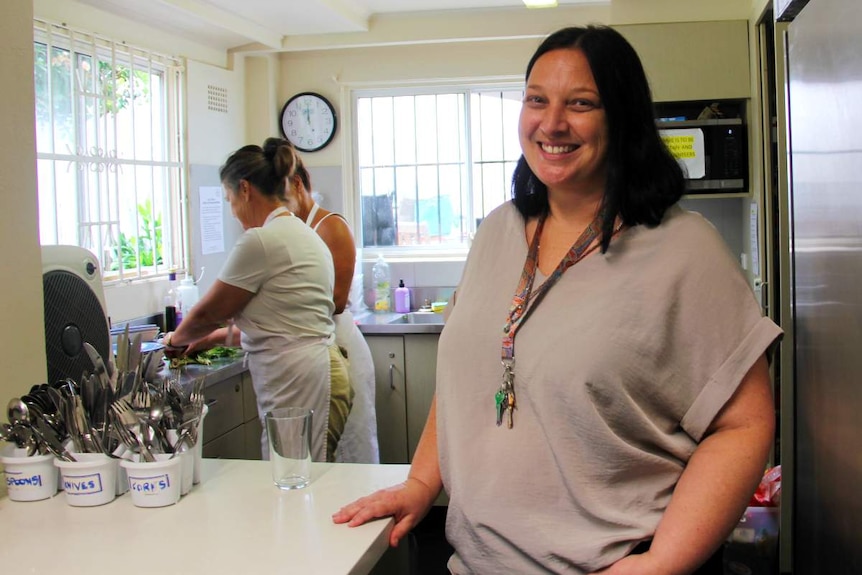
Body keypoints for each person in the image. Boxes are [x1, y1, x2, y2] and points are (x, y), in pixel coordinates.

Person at [332, 25, 781, 575]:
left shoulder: (686, 251)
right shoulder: (497, 230)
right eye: (537, 100)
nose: (552, 123)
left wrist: (662, 562)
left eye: (582, 103)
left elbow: (744, 424)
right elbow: (464, 386)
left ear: (623, 118)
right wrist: (423, 482)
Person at [163, 137, 351, 463]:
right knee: (300, 481)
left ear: (245, 189)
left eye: (230, 199)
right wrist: (211, 339)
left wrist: (175, 340)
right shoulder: (299, 232)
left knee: (296, 483)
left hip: (302, 379)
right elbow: (278, 317)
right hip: (314, 371)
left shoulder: (261, 241)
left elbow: (210, 311)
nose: (233, 211)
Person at [282, 152, 380, 464]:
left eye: (279, 196)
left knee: (352, 447)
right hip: (311, 352)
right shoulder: (290, 229)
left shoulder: (330, 226)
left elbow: (335, 301)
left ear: (297, 184)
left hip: (340, 349)